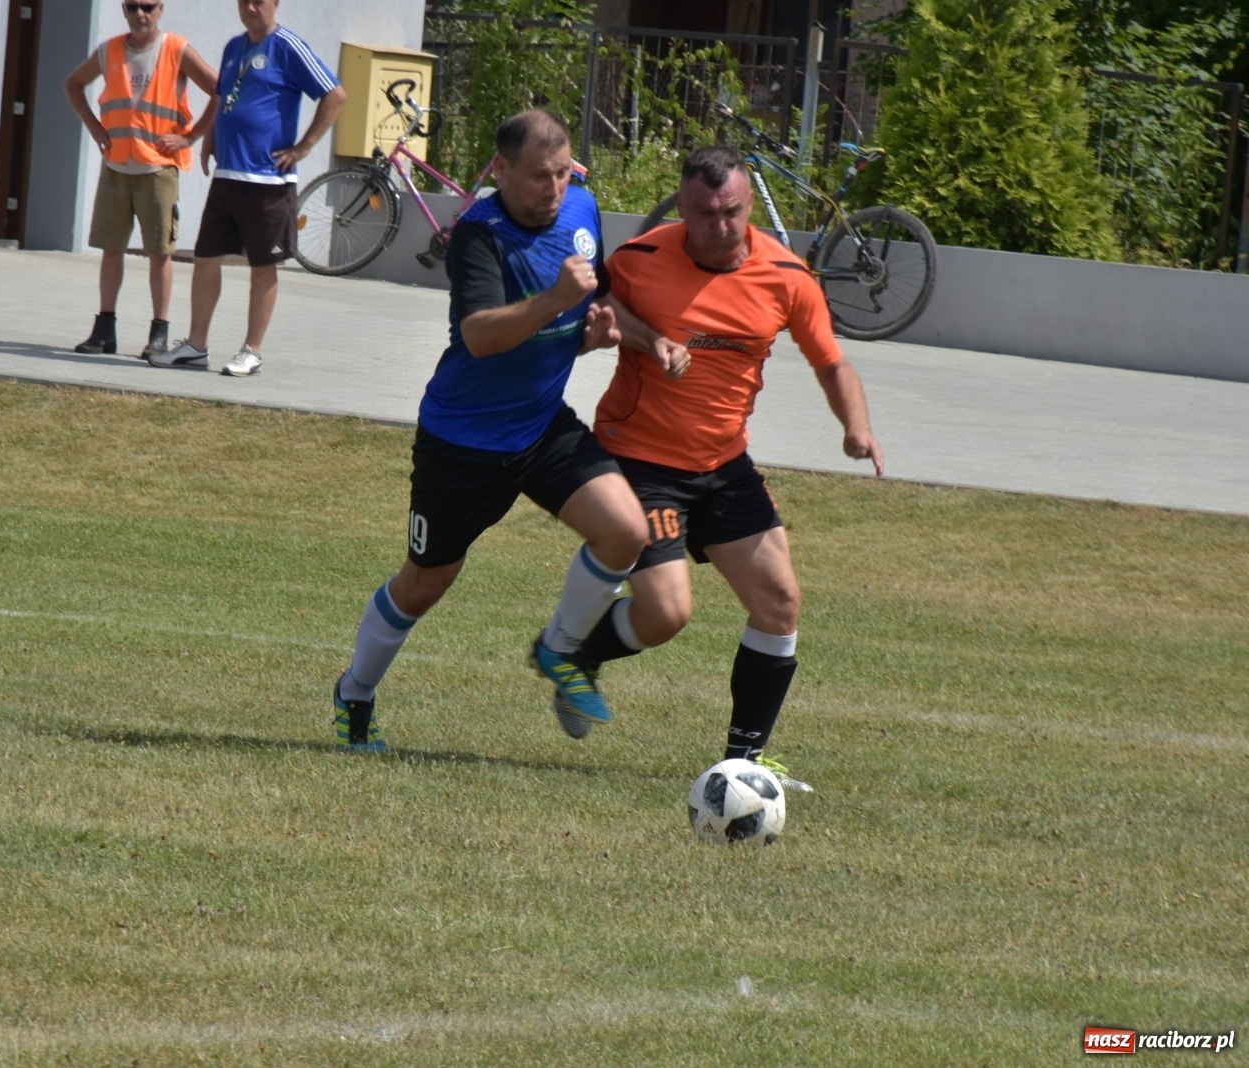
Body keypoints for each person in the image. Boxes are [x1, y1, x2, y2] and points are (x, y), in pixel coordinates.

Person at [331, 109, 647, 753]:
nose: (553, 190)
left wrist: (608, 335)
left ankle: (560, 650)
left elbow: (595, 303)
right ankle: (355, 693)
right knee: (426, 582)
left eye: (562, 174)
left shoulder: (583, 211)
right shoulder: (479, 234)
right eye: (537, 177)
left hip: (539, 428)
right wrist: (557, 303)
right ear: (500, 170)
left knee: (626, 532)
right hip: (463, 443)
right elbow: (479, 337)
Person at [568, 144, 885, 785]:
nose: (720, 227)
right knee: (666, 614)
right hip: (641, 462)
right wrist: (647, 340)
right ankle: (578, 657)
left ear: (748, 206)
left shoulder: (787, 275)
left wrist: (856, 426)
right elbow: (599, 314)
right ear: (682, 207)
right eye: (704, 214)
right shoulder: (640, 260)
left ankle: (741, 764)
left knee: (780, 601)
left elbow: (831, 362)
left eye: (733, 212)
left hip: (724, 464)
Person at [178, 0, 345, 377]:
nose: (250, 8)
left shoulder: (287, 47)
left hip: (268, 182)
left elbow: (334, 94)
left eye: (259, 1)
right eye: (244, 2)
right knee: (206, 258)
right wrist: (209, 137)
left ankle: (252, 350)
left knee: (263, 265)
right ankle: (195, 345)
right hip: (228, 176)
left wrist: (303, 147)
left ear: (275, 4)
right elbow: (224, 97)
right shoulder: (233, 47)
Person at [64, 0, 218, 364]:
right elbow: (73, 84)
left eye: (147, 6)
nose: (140, 14)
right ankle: (104, 331)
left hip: (157, 169)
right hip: (118, 165)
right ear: (123, 9)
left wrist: (190, 137)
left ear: (160, 9)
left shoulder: (175, 49)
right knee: (111, 247)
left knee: (159, 253)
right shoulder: (110, 50)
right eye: (133, 7)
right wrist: (96, 128)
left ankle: (159, 334)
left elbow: (220, 89)